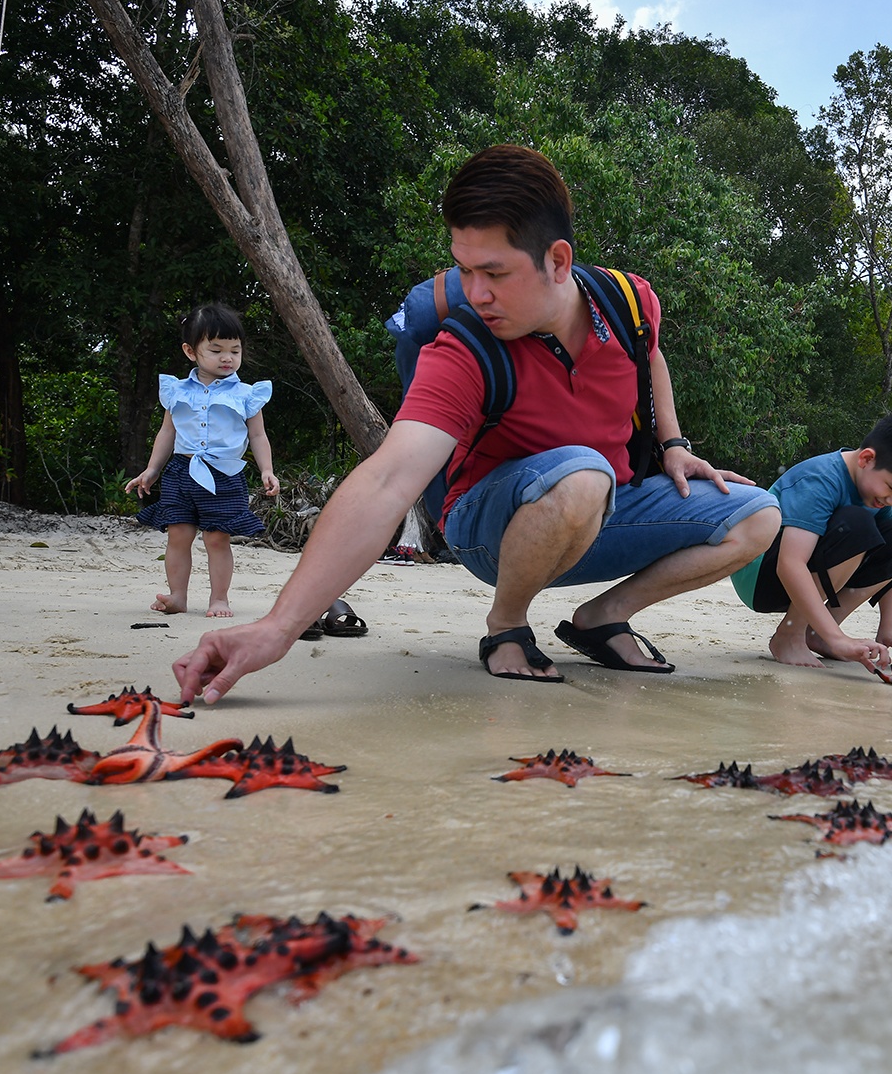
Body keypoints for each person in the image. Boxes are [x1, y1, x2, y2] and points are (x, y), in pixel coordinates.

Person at [171, 144, 780, 702]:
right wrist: (279, 628)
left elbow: (649, 354)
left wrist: (672, 442)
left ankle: (601, 618)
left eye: (494, 273)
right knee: (583, 474)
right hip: (490, 528)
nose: (476, 292)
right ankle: (507, 622)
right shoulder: (466, 348)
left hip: (606, 510)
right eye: (464, 270)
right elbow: (388, 480)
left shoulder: (625, 299)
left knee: (759, 514)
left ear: (558, 260)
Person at [731, 409, 892, 668]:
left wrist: (888, 628)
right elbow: (789, 564)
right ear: (867, 459)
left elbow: (890, 555)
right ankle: (790, 635)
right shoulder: (821, 479)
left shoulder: (877, 496)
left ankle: (816, 634)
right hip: (761, 578)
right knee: (856, 524)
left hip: (807, 576)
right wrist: (838, 640)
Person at [124, 303, 279, 618]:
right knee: (178, 536)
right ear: (190, 351)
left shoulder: (247, 394)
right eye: (216, 350)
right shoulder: (176, 391)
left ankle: (219, 599)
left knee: (217, 538)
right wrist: (152, 469)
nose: (227, 358)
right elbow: (167, 432)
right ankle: (177, 596)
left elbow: (258, 436)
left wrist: (267, 470)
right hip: (181, 472)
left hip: (224, 474)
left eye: (234, 351)